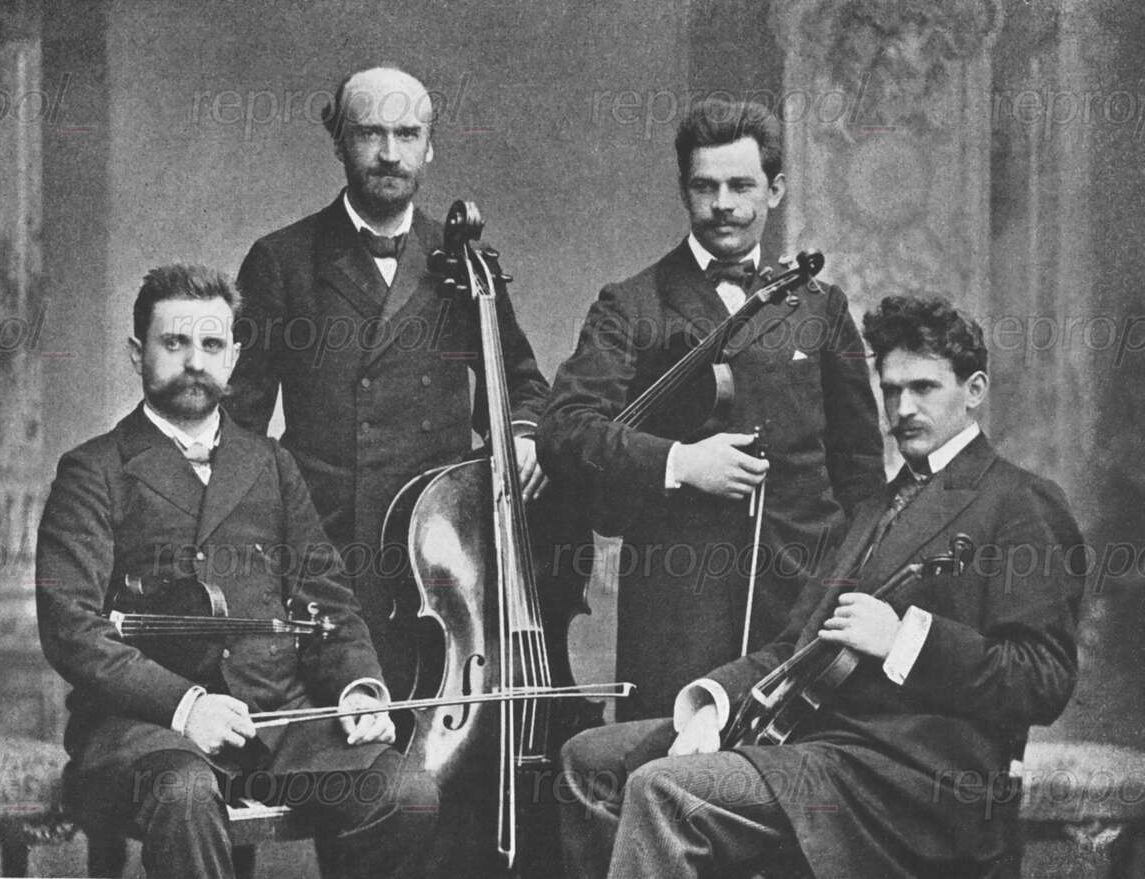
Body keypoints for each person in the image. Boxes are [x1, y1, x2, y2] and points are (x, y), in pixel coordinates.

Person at [558, 294, 1085, 879]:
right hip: (822, 749)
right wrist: (713, 703)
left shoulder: (1020, 502)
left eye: (924, 388)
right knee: (591, 761)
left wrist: (904, 640)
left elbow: (1043, 679)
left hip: (915, 781)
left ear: (975, 389)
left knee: (666, 789)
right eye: (891, 390)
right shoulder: (877, 507)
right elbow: (796, 644)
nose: (903, 408)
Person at [36, 265, 437, 879]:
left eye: (211, 344)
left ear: (234, 358)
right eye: (175, 343)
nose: (195, 362)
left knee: (404, 793)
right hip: (146, 729)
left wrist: (357, 686)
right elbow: (72, 627)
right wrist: (185, 706)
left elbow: (327, 600)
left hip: (277, 724)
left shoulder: (271, 463)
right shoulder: (92, 471)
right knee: (185, 795)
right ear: (137, 353)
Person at [538, 97, 885, 719]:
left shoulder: (821, 308)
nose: (722, 203)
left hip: (801, 606)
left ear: (775, 190)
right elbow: (565, 430)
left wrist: (851, 589)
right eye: (705, 187)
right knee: (666, 766)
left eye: (740, 185)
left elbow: (860, 474)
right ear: (684, 191)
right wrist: (681, 463)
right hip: (677, 613)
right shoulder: (631, 305)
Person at [224, 66, 550, 699]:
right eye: (370, 133)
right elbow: (240, 422)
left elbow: (519, 382)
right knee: (347, 724)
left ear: (430, 146)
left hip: (441, 548)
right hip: (328, 548)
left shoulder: (469, 264)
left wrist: (523, 434)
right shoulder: (281, 259)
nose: (390, 153)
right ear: (338, 141)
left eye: (407, 134)